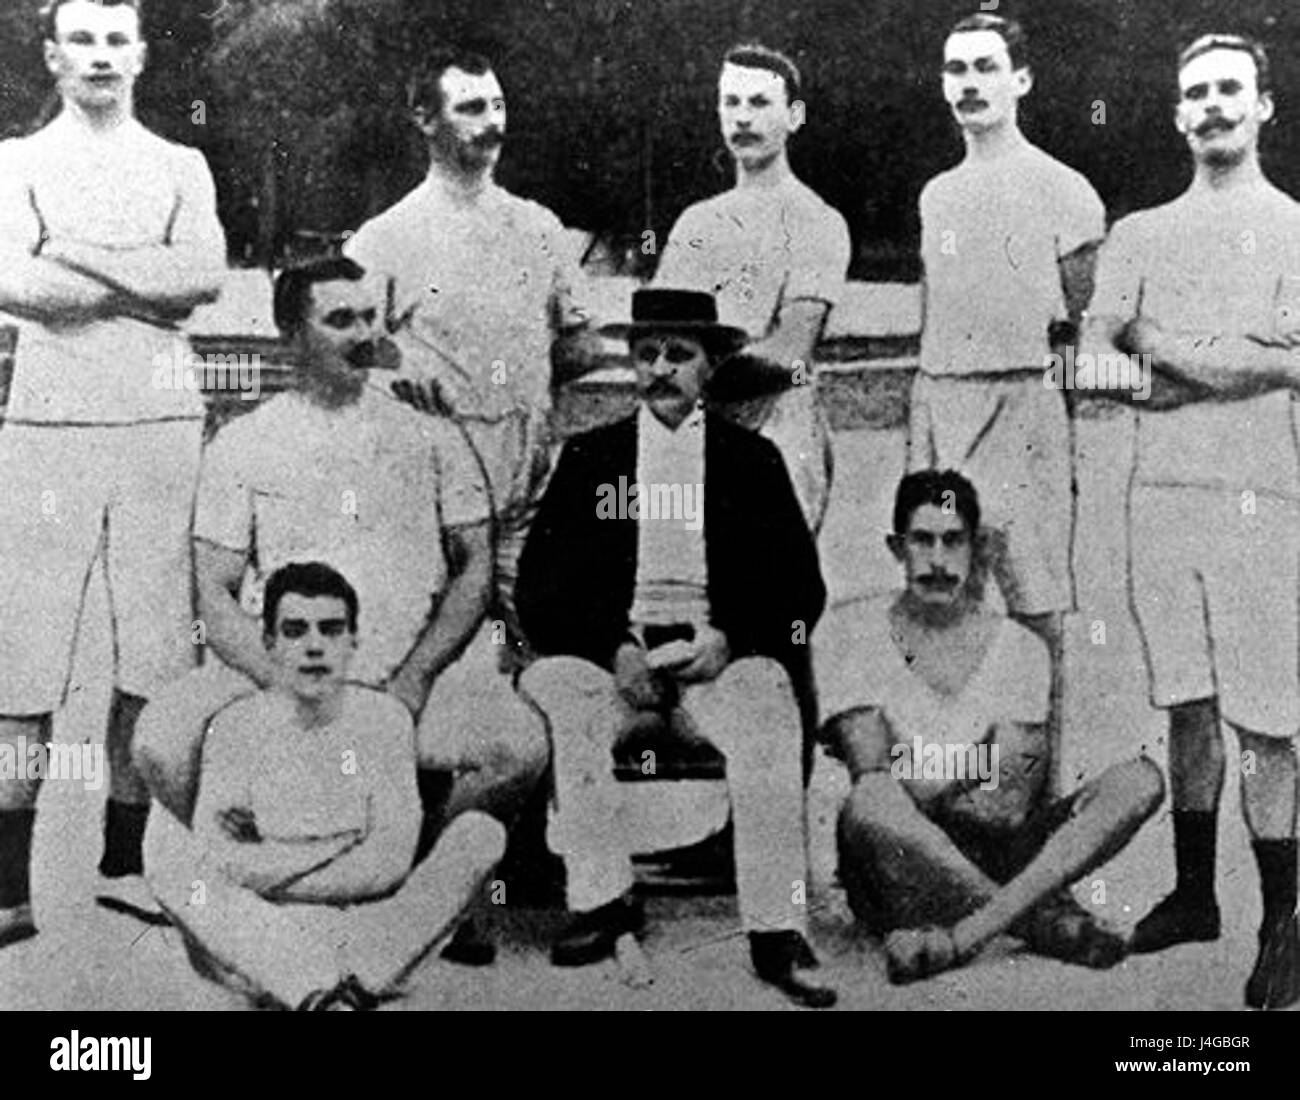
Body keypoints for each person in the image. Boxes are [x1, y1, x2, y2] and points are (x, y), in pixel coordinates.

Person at [133, 256, 547, 963]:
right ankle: (270, 885)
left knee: (518, 746)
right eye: (340, 320)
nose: (365, 336)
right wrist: (277, 681)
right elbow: (213, 588)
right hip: (286, 664)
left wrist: (416, 676)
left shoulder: (429, 430)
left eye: (371, 317)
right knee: (160, 740)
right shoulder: (246, 442)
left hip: (408, 666)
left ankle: (424, 886)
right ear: (291, 334)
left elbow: (476, 568)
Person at [516, 288, 835, 1008]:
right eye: (647, 353)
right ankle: (602, 905)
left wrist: (731, 641)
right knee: (563, 695)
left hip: (712, 659)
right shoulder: (592, 457)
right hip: (617, 661)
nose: (660, 368)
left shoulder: (751, 461)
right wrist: (611, 648)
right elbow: (540, 586)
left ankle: (777, 930)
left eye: (679, 354)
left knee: (767, 704)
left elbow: (799, 591)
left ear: (710, 366)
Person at [0, 0, 226, 947]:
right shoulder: (13, 163)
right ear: (51, 56)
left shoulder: (182, 164)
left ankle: (126, 862)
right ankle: (9, 886)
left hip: (162, 424)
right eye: (80, 40)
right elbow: (17, 284)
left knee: (156, 648)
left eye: (114, 39)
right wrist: (147, 280)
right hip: (48, 425)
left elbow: (203, 276)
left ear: (140, 54)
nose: (99, 56)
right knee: (25, 658)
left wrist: (76, 253)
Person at [1082, 32, 1300, 1010]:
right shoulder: (1137, 235)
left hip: (1262, 498)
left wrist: (1157, 340)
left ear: (1262, 105)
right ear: (1176, 113)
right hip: (1157, 499)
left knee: (1267, 718)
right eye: (1193, 93)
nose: (1210, 105)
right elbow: (1086, 366)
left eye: (1228, 90)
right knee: (1185, 702)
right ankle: (1194, 893)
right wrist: (1221, 364)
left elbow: (1290, 361)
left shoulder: (1295, 228)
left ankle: (1282, 922)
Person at [824, 470, 1164, 984]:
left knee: (1141, 779)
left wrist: (923, 773)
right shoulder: (852, 632)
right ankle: (1041, 922)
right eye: (922, 540)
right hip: (893, 866)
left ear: (976, 547)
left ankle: (965, 934)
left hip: (996, 848)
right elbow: (871, 776)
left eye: (953, 541)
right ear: (897, 548)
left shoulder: (1019, 648)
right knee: (872, 803)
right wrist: (973, 763)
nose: (938, 561)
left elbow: (1004, 807)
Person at [144, 562, 507, 1010]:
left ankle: (322, 992)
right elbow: (219, 860)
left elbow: (390, 865)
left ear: (353, 641)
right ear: (270, 644)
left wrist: (269, 863)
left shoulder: (386, 721)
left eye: (330, 630)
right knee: (163, 846)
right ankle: (326, 990)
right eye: (295, 631)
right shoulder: (235, 725)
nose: (314, 646)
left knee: (480, 834)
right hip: (258, 933)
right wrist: (339, 844)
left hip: (367, 928)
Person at [344, 46, 599, 653]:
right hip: (430, 501)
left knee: (547, 654)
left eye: (499, 106)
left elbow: (581, 344)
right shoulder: (385, 238)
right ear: (424, 118)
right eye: (472, 108)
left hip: (527, 494)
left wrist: (518, 395)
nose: (493, 123)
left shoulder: (539, 227)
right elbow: (342, 354)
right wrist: (397, 378)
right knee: (416, 655)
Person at [909, 12, 1106, 785]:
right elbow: (936, 317)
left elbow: (1082, 333)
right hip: (941, 406)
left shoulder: (1064, 189)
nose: (969, 85)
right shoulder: (938, 194)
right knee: (945, 605)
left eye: (986, 68)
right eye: (956, 70)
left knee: (1034, 613)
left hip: (1027, 409)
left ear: (1020, 79)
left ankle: (1037, 800)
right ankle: (958, 802)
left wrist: (1060, 430)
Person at [654, 42, 851, 534]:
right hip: (695, 439)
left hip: (779, 439)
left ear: (795, 115)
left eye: (759, 103)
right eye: (731, 102)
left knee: (766, 601)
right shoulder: (695, 222)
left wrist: (689, 368)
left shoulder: (816, 221)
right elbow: (655, 339)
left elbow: (790, 355)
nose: (742, 118)